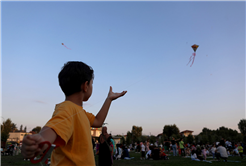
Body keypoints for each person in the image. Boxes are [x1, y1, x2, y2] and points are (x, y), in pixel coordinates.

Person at [21, 61, 127, 166]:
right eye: (91, 84)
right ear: (85, 86)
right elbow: (53, 128)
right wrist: (39, 142)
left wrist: (109, 99)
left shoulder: (81, 112)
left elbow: (98, 121)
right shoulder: (68, 108)